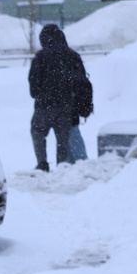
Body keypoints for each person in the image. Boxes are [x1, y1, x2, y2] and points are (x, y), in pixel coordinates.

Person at [28, 23, 88, 171]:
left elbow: (33, 86)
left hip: (44, 106)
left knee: (37, 133)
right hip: (66, 106)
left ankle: (42, 163)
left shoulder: (40, 57)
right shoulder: (73, 56)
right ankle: (62, 167)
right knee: (62, 139)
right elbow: (81, 82)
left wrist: (41, 94)